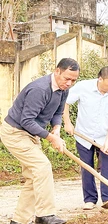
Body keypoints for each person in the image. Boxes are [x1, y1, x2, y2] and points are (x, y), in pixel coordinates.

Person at [0, 58, 80, 224]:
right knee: (42, 166)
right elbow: (26, 121)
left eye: (74, 80)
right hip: (15, 132)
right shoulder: (40, 89)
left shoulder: (63, 90)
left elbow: (57, 113)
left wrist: (56, 129)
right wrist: (50, 138)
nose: (70, 83)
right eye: (67, 78)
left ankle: (19, 220)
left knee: (33, 176)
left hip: (31, 134)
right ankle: (45, 215)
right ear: (57, 71)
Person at [63, 66, 108, 210]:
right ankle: (90, 199)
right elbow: (64, 101)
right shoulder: (83, 87)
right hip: (83, 134)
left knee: (107, 165)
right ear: (100, 79)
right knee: (86, 167)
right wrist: (67, 123)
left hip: (105, 135)